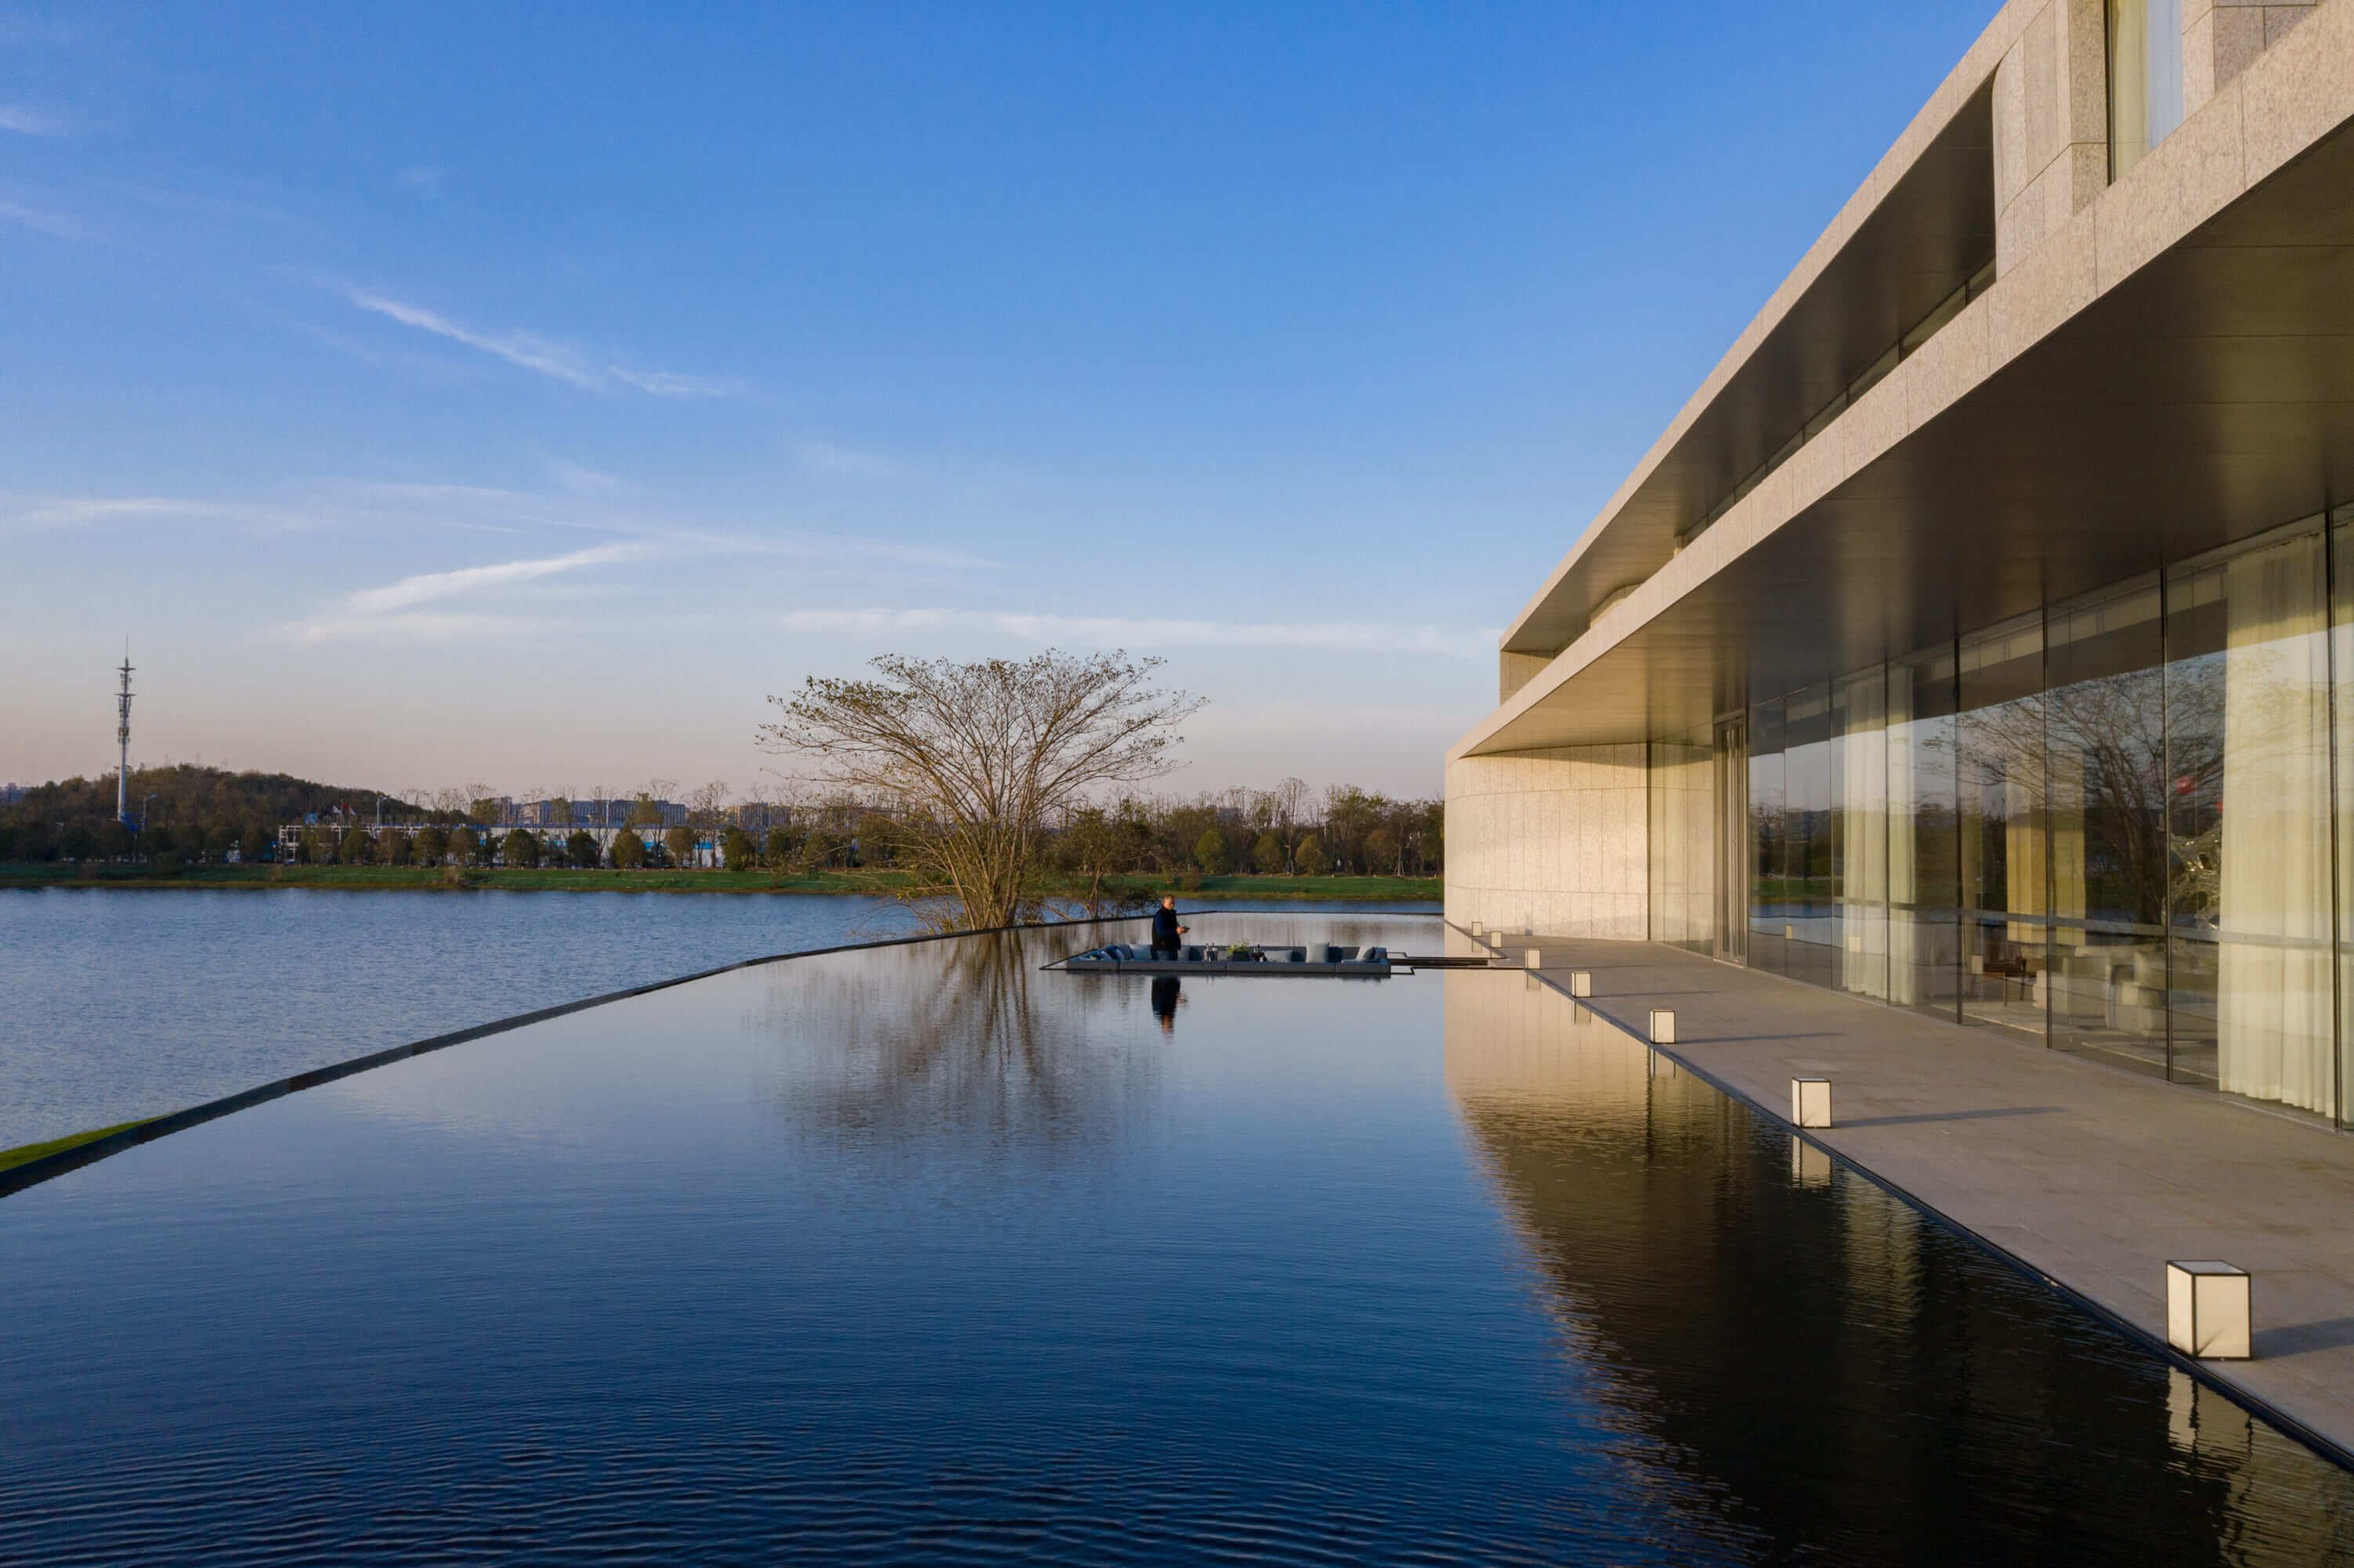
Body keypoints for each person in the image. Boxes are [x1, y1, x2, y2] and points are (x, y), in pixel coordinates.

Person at [1150, 895, 1187, 959]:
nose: (1172, 905)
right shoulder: (1160, 915)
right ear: (1164, 903)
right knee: (1166, 968)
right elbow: (1161, 932)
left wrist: (1181, 930)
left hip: (1172, 948)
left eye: (1174, 903)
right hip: (1162, 950)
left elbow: (1172, 930)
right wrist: (1176, 931)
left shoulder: (1171, 914)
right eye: (1171, 903)